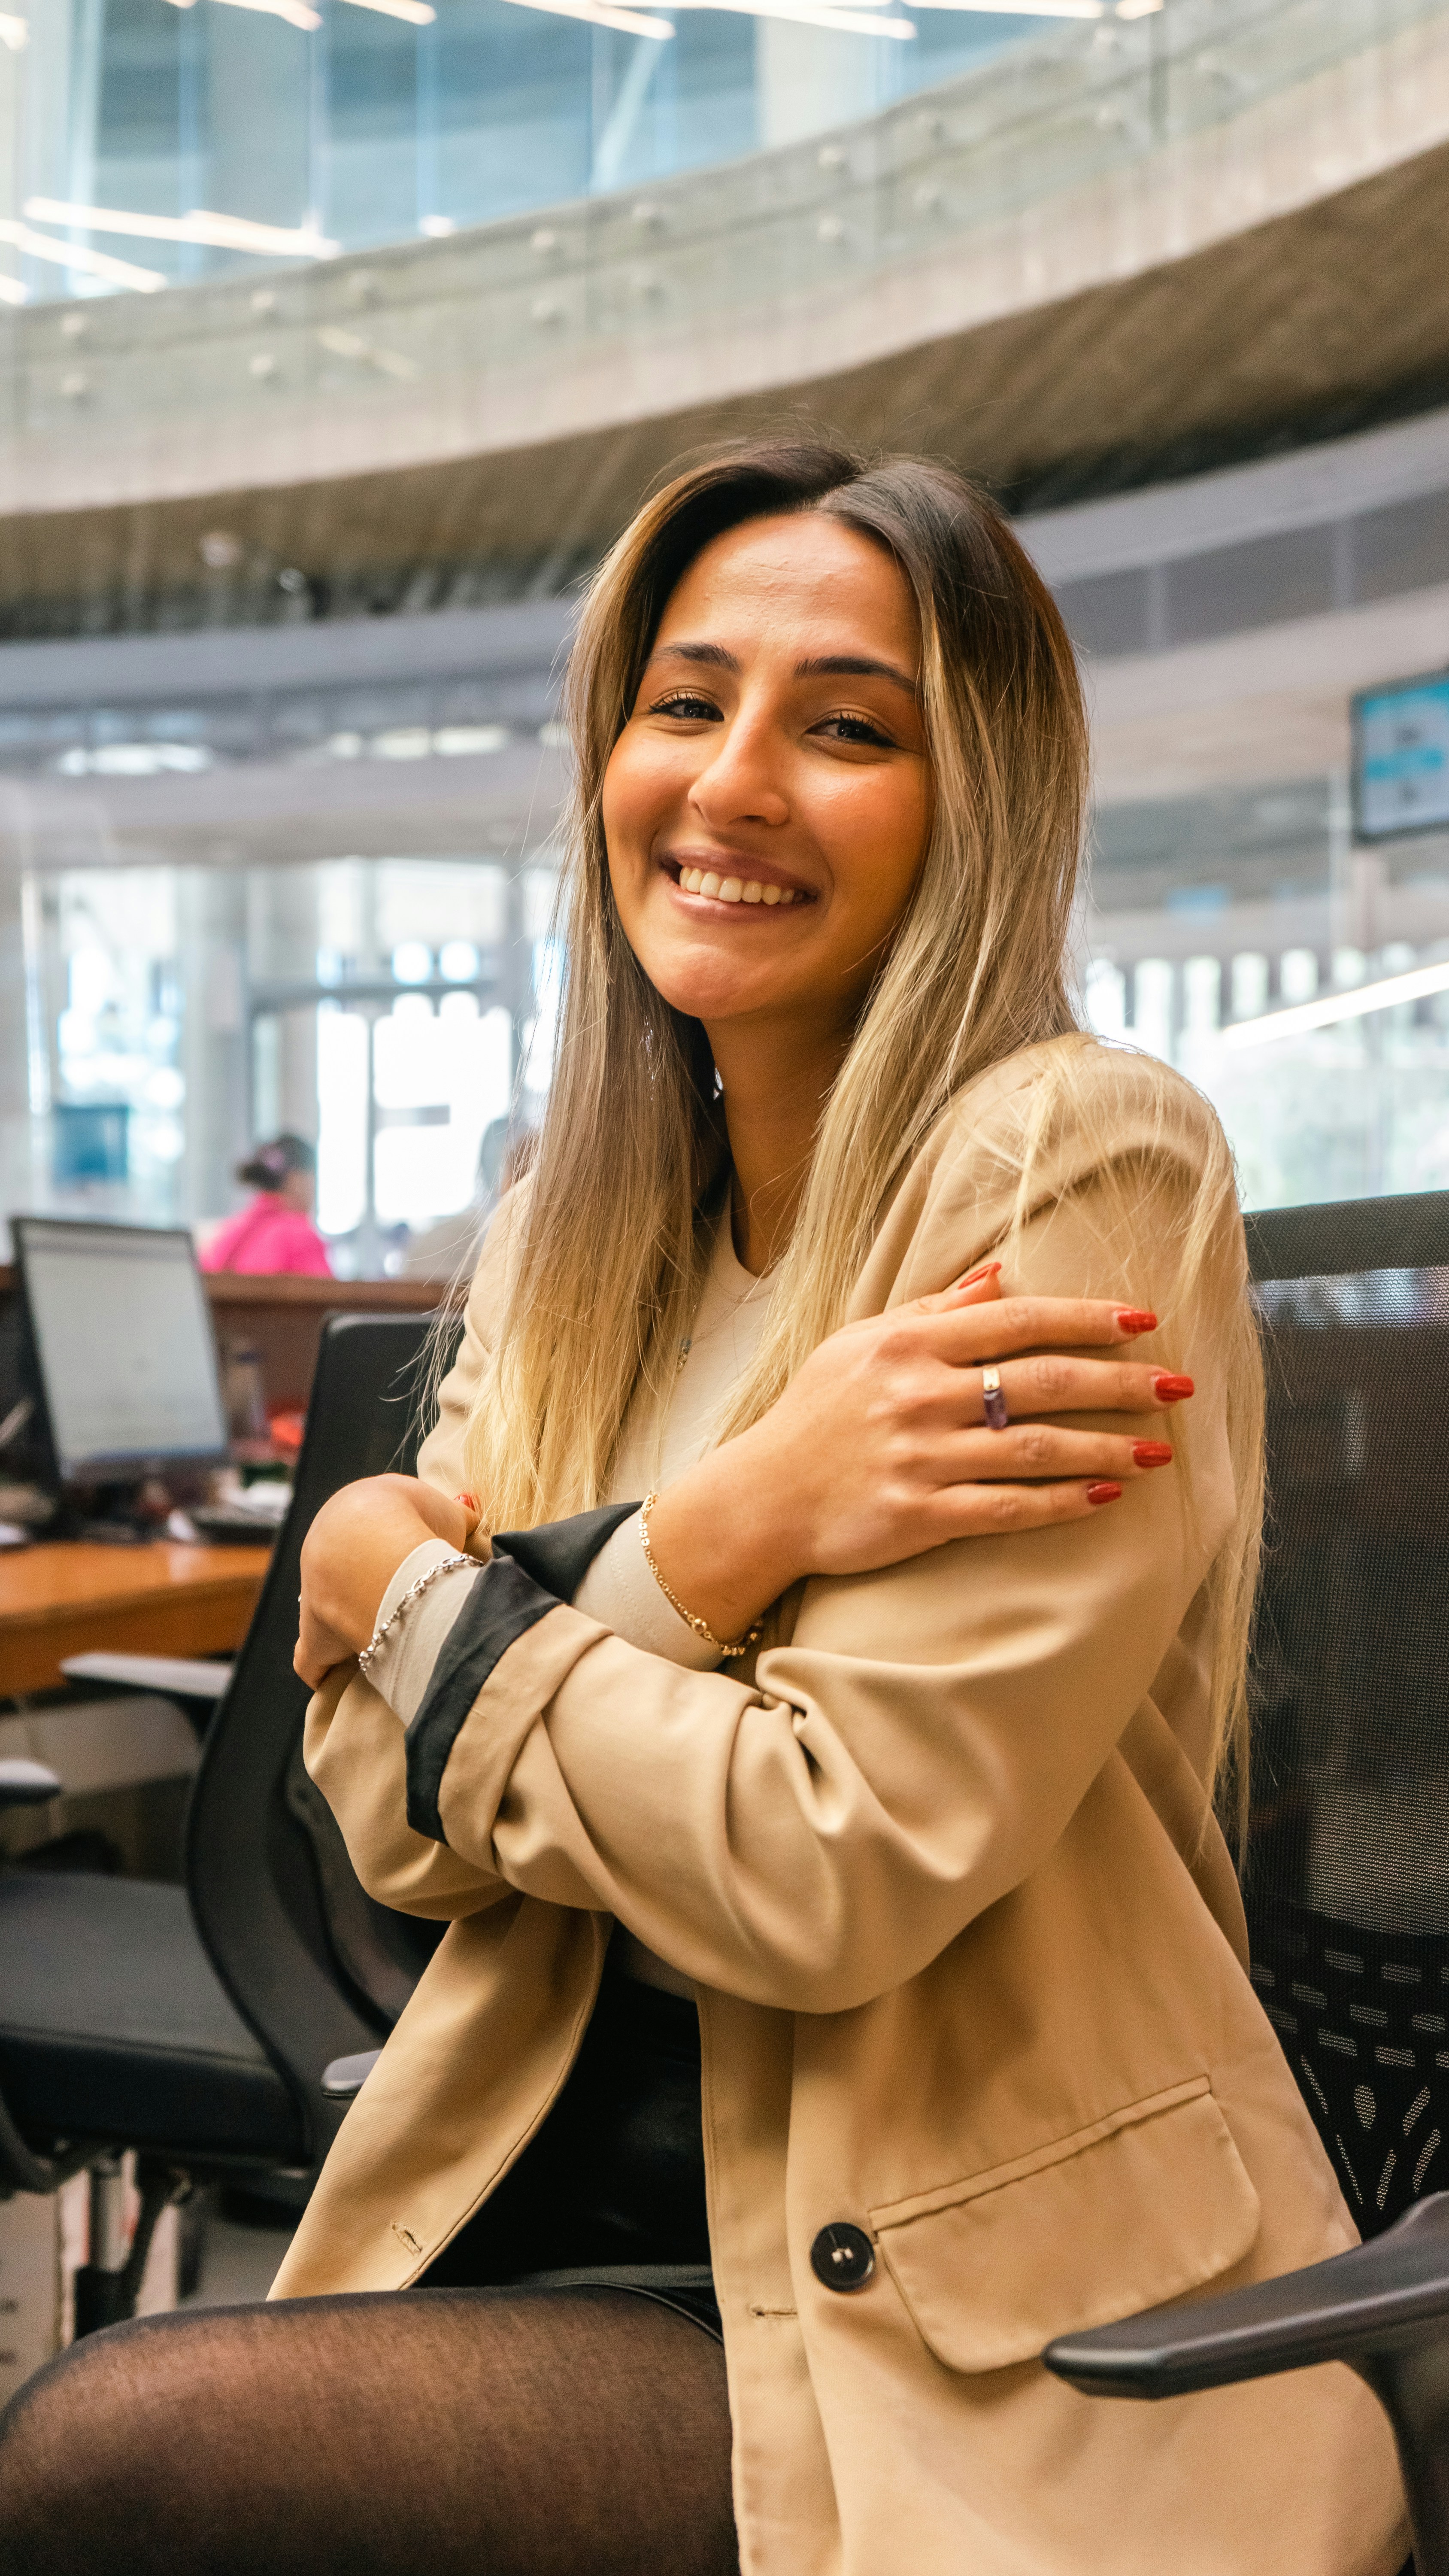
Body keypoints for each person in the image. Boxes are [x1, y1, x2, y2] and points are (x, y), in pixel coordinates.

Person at [0, 444, 1406, 2576]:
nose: (734, 782)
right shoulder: (574, 1239)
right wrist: (719, 1534)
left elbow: (821, 1862)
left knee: (112, 2469)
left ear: (975, 801)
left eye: (846, 726)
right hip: (586, 2230)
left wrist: (414, 1588)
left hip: (960, 2353)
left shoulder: (1068, 1158)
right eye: (686, 703)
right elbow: (384, 1824)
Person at [200, 1133, 333, 1279]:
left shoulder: (228, 1234)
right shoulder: (300, 1237)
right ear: (297, 1179)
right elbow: (329, 1298)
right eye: (314, 1177)